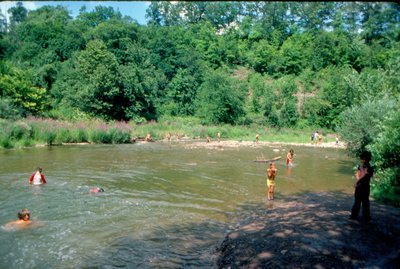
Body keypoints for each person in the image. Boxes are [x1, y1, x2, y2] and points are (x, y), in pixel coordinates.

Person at [350, 151, 374, 222]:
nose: (361, 160)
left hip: (362, 186)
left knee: (360, 201)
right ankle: (365, 217)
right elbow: (358, 174)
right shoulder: (368, 167)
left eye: (362, 158)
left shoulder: (368, 167)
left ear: (364, 159)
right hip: (364, 186)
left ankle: (355, 216)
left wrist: (357, 182)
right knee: (363, 202)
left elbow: (363, 176)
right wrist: (358, 180)